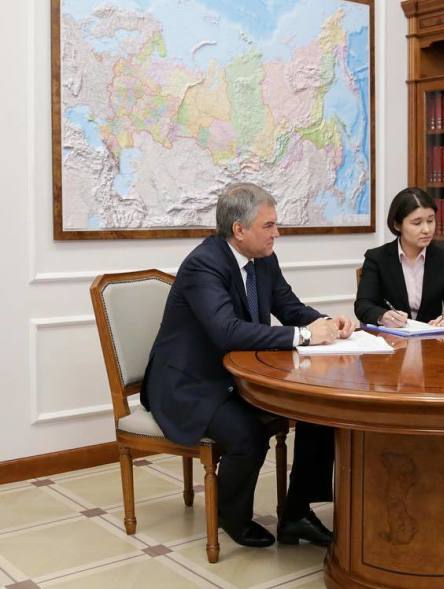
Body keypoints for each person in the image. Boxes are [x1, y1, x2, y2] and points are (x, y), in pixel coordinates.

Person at [141, 183, 354, 548]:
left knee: (318, 414)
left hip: (233, 377)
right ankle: (232, 517)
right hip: (190, 385)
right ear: (239, 230)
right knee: (247, 436)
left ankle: (297, 513)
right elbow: (226, 331)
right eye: (269, 226)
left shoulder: (263, 259)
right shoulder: (203, 265)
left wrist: (328, 324)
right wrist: (303, 336)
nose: (277, 233)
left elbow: (289, 307)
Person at [354, 187, 444, 329]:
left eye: (430, 221)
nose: (427, 229)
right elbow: (363, 306)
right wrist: (382, 316)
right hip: (392, 341)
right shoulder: (377, 258)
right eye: (417, 223)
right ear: (397, 224)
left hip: (432, 344)